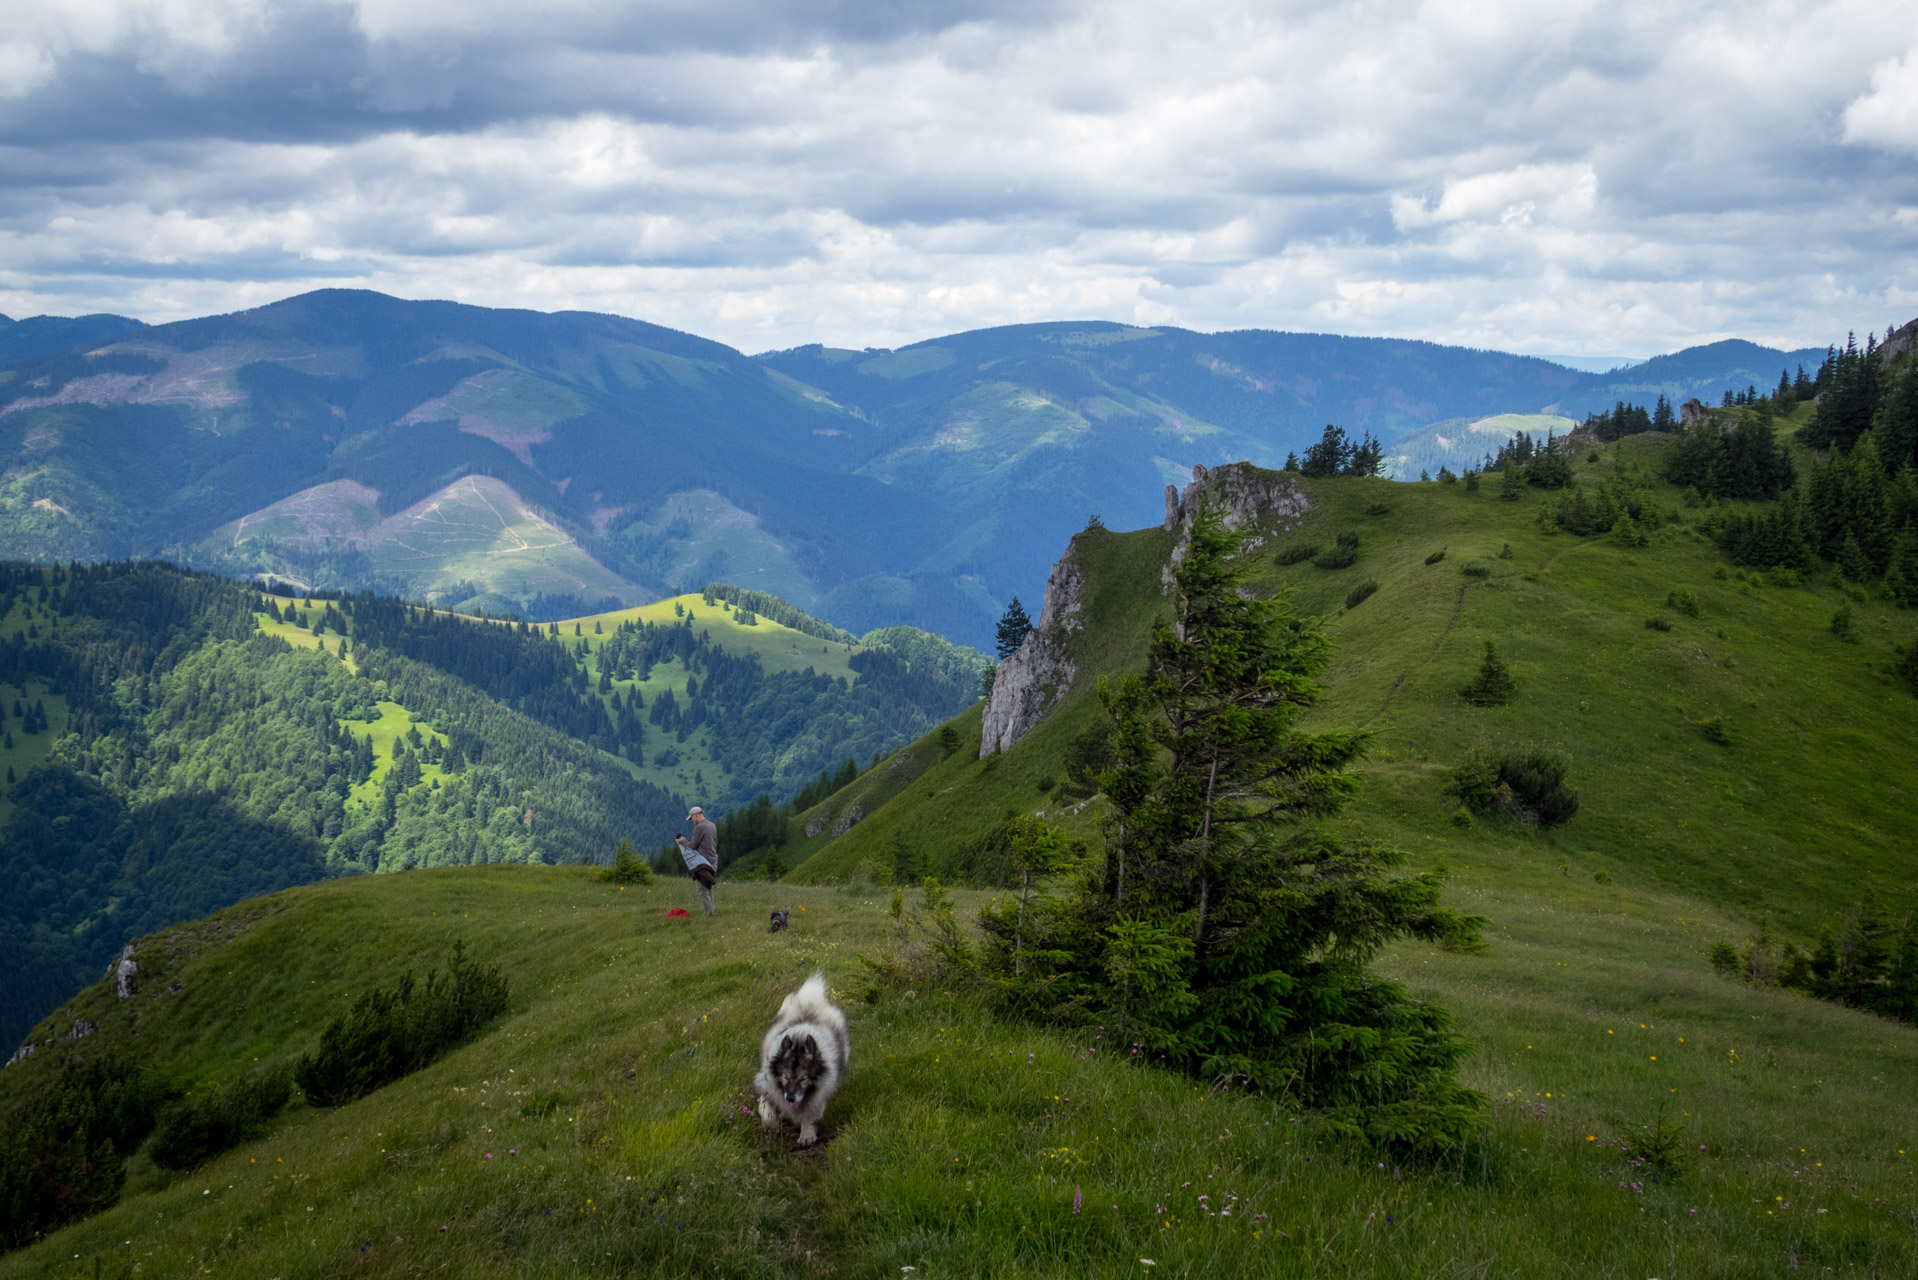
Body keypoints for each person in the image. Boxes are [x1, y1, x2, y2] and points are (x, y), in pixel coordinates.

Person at [675, 805, 719, 916]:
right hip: (713, 860)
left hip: (703, 862)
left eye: (692, 818)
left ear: (696, 816)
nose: (692, 821)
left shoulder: (699, 827)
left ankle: (708, 913)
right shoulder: (712, 825)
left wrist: (682, 842)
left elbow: (693, 845)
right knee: (708, 886)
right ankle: (711, 910)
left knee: (701, 889)